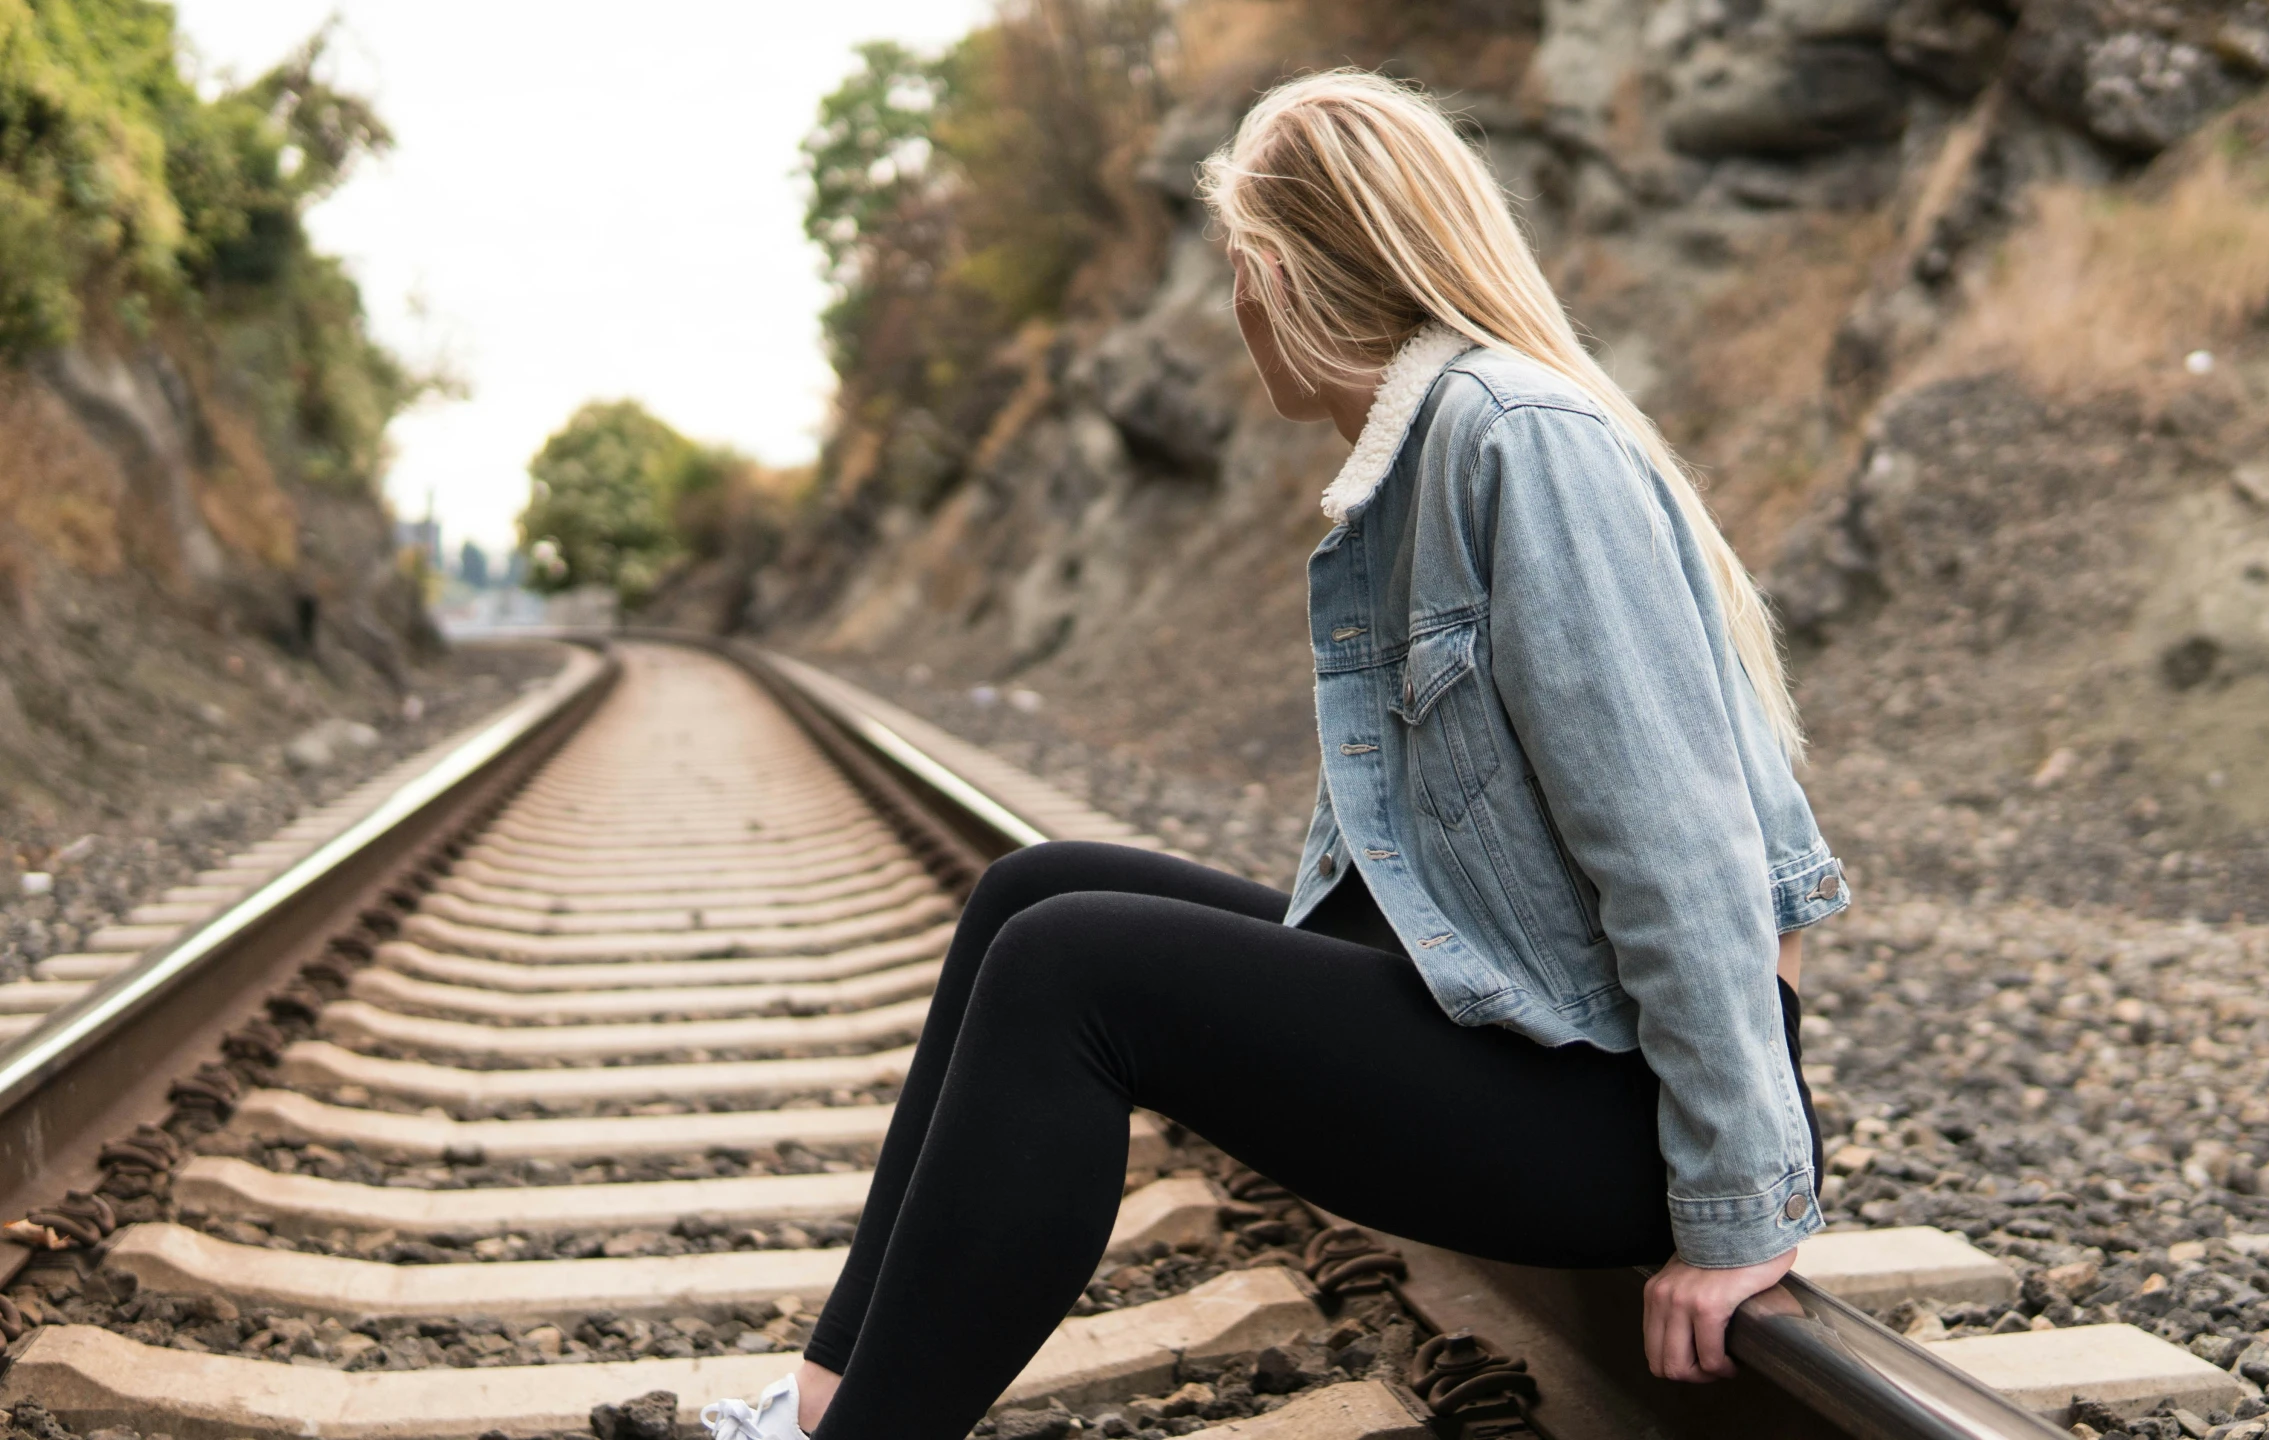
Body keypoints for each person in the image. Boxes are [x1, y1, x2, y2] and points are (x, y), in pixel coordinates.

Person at [703, 68, 1848, 1440]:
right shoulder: (1432, 443)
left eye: (1233, 270)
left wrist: (1734, 1204)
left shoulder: (1514, 438)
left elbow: (1688, 852)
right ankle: (829, 1405)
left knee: (1074, 974)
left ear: (1267, 274)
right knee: (1033, 891)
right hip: (1534, 1029)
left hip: (1615, 1109)